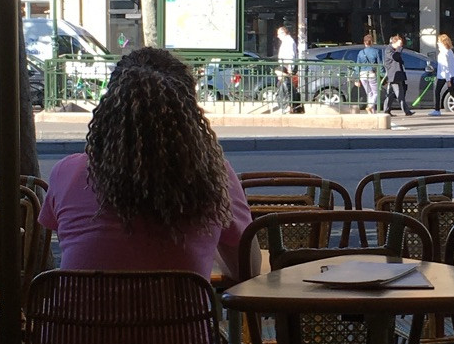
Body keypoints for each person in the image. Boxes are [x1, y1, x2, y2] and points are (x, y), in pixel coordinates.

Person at [38, 47, 260, 283]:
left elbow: (82, 246)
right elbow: (249, 270)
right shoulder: (214, 177)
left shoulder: (67, 173)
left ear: (109, 107)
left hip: (76, 320)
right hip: (180, 320)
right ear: (189, 114)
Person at [383, 32, 410, 115]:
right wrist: (399, 48)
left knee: (391, 94)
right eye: (399, 43)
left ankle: (386, 110)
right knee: (399, 94)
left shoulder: (395, 50)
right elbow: (395, 57)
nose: (401, 45)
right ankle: (406, 111)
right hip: (394, 76)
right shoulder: (389, 50)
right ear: (395, 42)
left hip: (398, 75)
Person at [433, 31, 454, 114]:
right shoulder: (450, 51)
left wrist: (448, 80)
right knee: (452, 92)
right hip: (451, 75)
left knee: (437, 92)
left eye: (439, 41)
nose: (437, 43)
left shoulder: (442, 54)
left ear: (442, 42)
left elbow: (445, 67)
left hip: (443, 76)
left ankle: (437, 110)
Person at [357, 27, 381, 113]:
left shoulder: (360, 52)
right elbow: (379, 64)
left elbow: (357, 66)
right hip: (371, 73)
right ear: (372, 42)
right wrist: (382, 74)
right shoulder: (376, 51)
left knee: (369, 93)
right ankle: (370, 106)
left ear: (364, 42)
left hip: (362, 74)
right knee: (376, 92)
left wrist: (357, 78)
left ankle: (372, 111)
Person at [274, 23, 298, 107]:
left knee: (285, 84)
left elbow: (291, 56)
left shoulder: (289, 42)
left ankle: (287, 103)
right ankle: (286, 102)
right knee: (283, 84)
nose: (278, 36)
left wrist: (290, 68)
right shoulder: (288, 41)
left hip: (286, 66)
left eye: (278, 34)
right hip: (285, 66)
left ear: (283, 33)